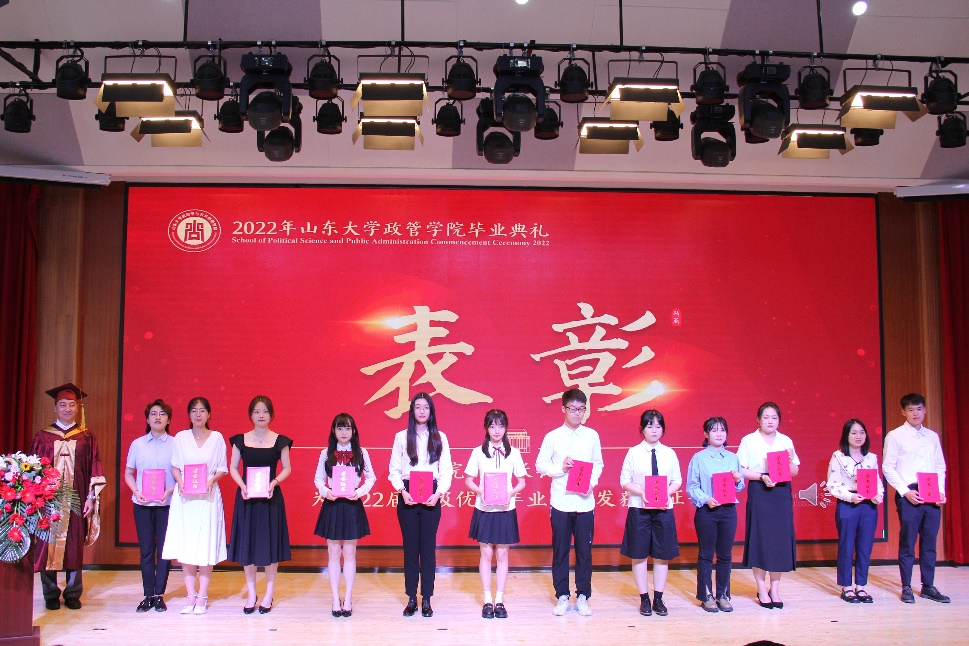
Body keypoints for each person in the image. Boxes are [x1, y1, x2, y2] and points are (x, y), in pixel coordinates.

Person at [30, 383, 106, 610]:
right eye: (62, 405)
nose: (67, 409)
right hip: (48, 501)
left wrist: (91, 497)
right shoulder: (43, 436)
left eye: (71, 405)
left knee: (74, 545)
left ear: (77, 408)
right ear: (55, 408)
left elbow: (94, 466)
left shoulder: (86, 437)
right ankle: (50, 593)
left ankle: (73, 593)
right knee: (47, 545)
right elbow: (33, 469)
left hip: (77, 499)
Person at [535, 388, 604, 617]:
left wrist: (591, 483)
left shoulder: (592, 435)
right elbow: (540, 465)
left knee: (585, 552)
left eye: (581, 409)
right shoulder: (553, 437)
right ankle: (562, 595)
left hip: (585, 503)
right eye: (573, 409)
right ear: (563, 409)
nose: (577, 413)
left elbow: (598, 463)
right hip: (561, 503)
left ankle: (583, 595)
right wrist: (561, 468)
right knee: (561, 551)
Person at [161, 397, 228, 615]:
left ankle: (203, 596)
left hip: (207, 497)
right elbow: (175, 466)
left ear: (209, 414)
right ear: (189, 414)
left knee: (205, 545)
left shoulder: (217, 438)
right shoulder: (181, 437)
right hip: (185, 499)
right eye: (194, 411)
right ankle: (190, 596)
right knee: (187, 545)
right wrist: (180, 483)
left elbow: (222, 468)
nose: (198, 414)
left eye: (202, 410)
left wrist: (211, 480)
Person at [388, 392, 453, 618]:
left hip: (431, 493)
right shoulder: (400, 437)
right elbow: (394, 470)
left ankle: (426, 598)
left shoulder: (440, 437)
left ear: (431, 410)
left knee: (427, 549)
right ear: (412, 410)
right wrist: (402, 491)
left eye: (426, 407)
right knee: (410, 549)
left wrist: (438, 494)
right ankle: (411, 598)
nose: (422, 411)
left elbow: (446, 471)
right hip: (407, 492)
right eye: (418, 407)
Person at [228, 395, 293, 614]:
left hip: (270, 499)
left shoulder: (280, 440)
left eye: (265, 411)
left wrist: (274, 482)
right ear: (250, 415)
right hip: (247, 499)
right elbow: (233, 467)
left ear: (271, 415)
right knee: (247, 545)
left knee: (270, 546)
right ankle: (251, 593)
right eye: (256, 412)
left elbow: (287, 468)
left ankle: (268, 594)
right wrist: (242, 486)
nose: (261, 415)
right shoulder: (240, 440)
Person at [882, 393, 949, 604]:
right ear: (903, 412)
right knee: (908, 541)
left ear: (924, 410)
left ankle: (928, 586)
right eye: (911, 410)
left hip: (931, 491)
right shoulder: (895, 436)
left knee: (929, 542)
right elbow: (887, 467)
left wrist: (940, 490)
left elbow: (939, 465)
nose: (915, 413)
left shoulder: (932, 436)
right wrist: (905, 491)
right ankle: (906, 586)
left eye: (919, 409)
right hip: (909, 492)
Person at [464, 409, 528, 619]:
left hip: (505, 509)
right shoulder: (478, 452)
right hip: (484, 509)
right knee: (486, 554)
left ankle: (499, 600)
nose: (497, 430)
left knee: (502, 554)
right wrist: (482, 492)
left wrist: (509, 493)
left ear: (506, 428)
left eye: (500, 426)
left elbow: (522, 482)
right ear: (486, 428)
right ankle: (487, 600)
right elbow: (468, 480)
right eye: (492, 426)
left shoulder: (514, 453)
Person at [619, 409, 682, 617]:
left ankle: (659, 598)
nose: (654, 430)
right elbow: (624, 481)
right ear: (642, 429)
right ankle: (644, 598)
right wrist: (641, 492)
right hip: (639, 509)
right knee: (639, 555)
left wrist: (665, 494)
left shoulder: (670, 453)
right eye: (649, 426)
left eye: (658, 426)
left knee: (662, 556)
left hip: (664, 509)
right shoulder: (633, 452)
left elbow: (677, 480)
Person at [737, 402, 799, 610]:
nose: (770, 421)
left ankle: (775, 589)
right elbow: (741, 469)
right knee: (760, 540)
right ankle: (761, 589)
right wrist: (761, 477)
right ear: (758, 420)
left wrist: (790, 461)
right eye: (766, 417)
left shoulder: (785, 440)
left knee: (779, 541)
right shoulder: (749, 440)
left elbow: (794, 471)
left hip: (781, 493)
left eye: (774, 417)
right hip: (760, 490)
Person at [313, 413, 376, 618]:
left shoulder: (361, 453)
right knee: (333, 553)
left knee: (349, 553)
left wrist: (359, 492)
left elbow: (371, 477)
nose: (343, 432)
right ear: (333, 431)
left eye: (347, 428)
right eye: (339, 428)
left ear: (354, 431)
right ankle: (335, 598)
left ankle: (347, 599)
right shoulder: (325, 453)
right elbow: (318, 479)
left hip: (351, 505)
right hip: (332, 505)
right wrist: (326, 492)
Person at [686, 417, 744, 613]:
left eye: (722, 430)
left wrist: (738, 479)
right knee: (706, 555)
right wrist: (706, 499)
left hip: (728, 511)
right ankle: (706, 596)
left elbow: (740, 486)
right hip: (707, 511)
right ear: (706, 434)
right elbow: (692, 487)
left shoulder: (733, 458)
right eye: (714, 430)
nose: (719, 434)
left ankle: (723, 595)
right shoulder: (698, 458)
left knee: (726, 555)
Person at [124, 399, 177, 612]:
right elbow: (129, 473)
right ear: (147, 419)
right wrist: (136, 491)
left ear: (168, 420)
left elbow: (181, 475)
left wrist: (170, 490)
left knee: (164, 550)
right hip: (142, 504)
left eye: (162, 414)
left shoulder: (175, 444)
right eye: (153, 414)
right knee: (146, 550)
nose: (157, 417)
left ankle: (159, 595)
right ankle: (148, 594)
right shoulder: (137, 444)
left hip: (167, 504)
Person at [827, 419, 884, 604]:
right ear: (846, 435)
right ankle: (847, 587)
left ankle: (861, 586)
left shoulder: (871, 458)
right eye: (853, 433)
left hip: (868, 506)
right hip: (848, 504)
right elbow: (832, 485)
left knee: (865, 546)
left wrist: (878, 495)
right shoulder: (838, 457)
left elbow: (877, 482)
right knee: (846, 545)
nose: (858, 436)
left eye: (861, 432)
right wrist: (850, 497)